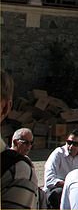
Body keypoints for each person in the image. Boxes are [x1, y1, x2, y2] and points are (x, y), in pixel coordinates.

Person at [1, 71, 39, 209]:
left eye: (31, 143)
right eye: (26, 143)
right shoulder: (19, 171)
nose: (29, 147)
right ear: (5, 107)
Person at [43, 128, 78, 208]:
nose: (71, 146)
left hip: (76, 189)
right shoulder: (58, 154)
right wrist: (68, 184)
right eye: (69, 142)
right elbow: (49, 180)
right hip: (57, 190)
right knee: (59, 193)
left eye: (75, 144)